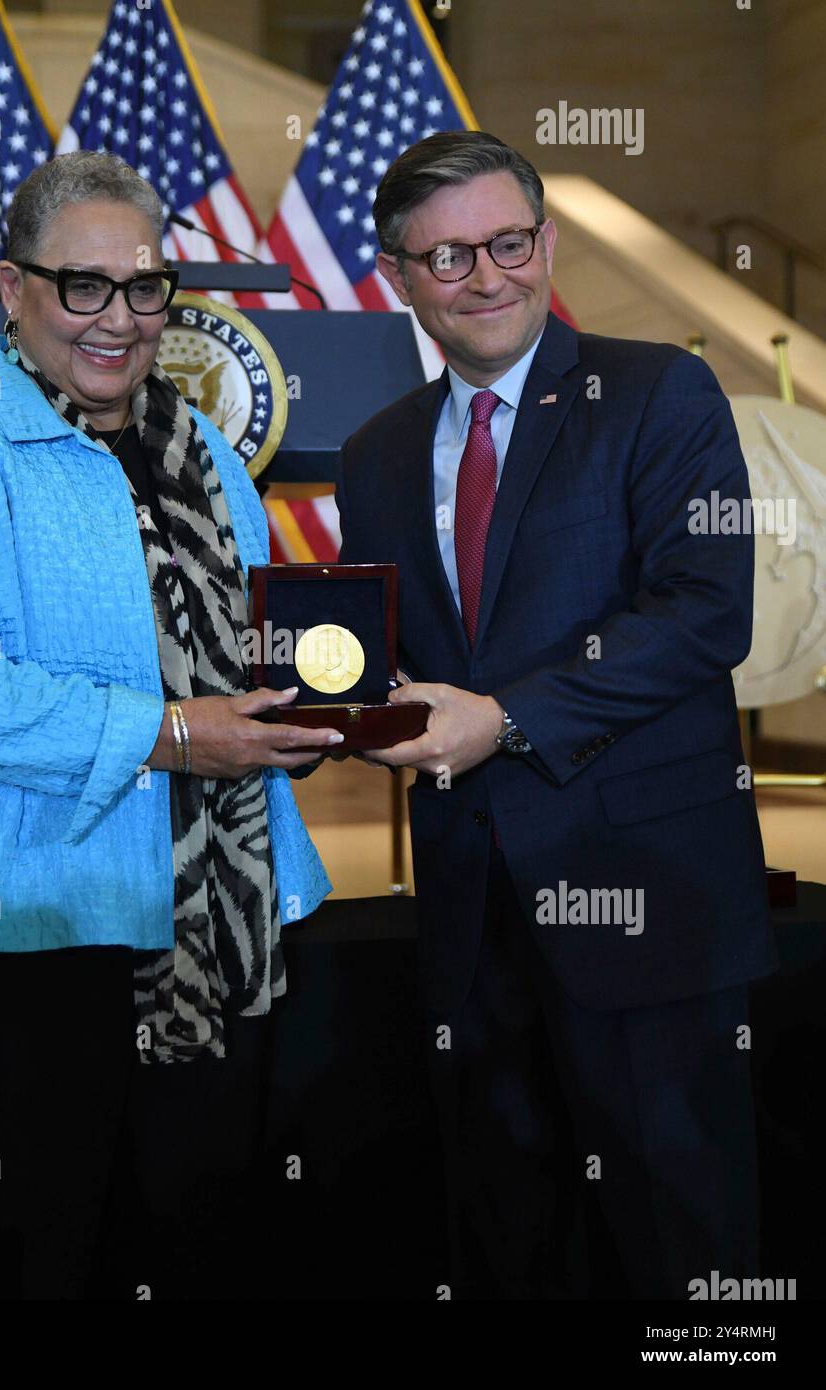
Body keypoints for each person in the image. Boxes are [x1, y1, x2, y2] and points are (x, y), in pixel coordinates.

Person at [0, 150, 340, 1298]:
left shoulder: (198, 448)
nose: (118, 318)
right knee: (24, 1261)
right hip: (9, 937)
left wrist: (336, 693)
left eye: (144, 287)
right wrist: (174, 734)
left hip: (206, 927)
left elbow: (253, 636)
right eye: (81, 285)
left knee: (185, 1252)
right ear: (12, 290)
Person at [335, 130, 778, 1299]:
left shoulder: (659, 392)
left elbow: (703, 612)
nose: (484, 276)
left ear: (546, 240)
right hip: (471, 921)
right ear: (397, 277)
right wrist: (337, 706)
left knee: (683, 1249)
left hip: (646, 900)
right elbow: (387, 664)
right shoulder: (376, 456)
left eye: (507, 242)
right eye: (446, 257)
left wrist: (503, 719)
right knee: (506, 1241)